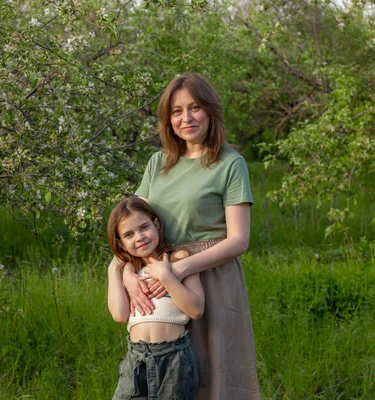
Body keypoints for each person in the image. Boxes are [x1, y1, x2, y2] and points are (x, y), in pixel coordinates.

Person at [121, 72, 261, 399]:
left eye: (194, 107)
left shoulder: (230, 164)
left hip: (211, 279)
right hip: (159, 281)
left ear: (210, 111)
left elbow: (239, 240)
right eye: (176, 111)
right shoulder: (158, 164)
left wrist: (182, 269)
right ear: (167, 120)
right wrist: (127, 273)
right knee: (167, 377)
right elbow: (130, 226)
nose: (186, 118)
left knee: (214, 376)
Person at [107, 196, 204, 399]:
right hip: (136, 356)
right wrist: (113, 270)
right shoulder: (130, 271)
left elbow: (196, 310)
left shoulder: (180, 259)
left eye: (144, 227)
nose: (139, 237)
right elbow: (119, 314)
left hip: (174, 357)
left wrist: (166, 277)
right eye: (129, 234)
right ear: (121, 244)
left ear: (156, 224)